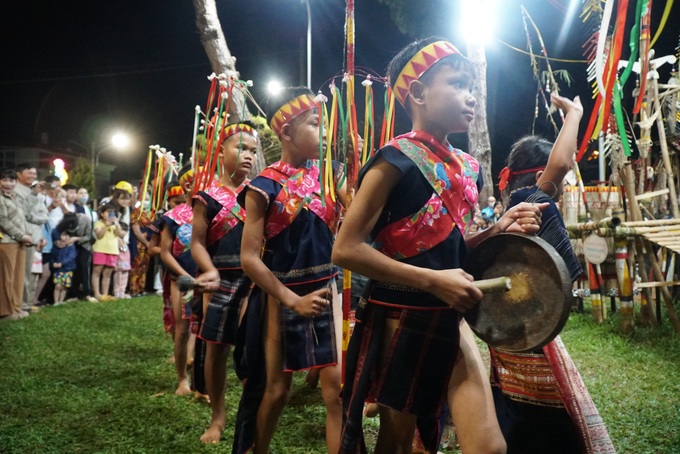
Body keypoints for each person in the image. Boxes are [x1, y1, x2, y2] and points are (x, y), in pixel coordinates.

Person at [332, 37, 546, 454]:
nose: (470, 95)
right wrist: (432, 280)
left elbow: (451, 248)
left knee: (489, 447)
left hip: (451, 315)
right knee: (395, 440)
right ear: (417, 92)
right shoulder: (393, 160)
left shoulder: (467, 167)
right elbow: (345, 249)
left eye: (472, 87)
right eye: (458, 84)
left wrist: (497, 229)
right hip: (400, 317)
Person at [494, 93, 615, 454]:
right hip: (531, 340)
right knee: (545, 427)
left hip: (511, 337)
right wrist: (574, 113)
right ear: (536, 175)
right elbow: (560, 164)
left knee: (516, 417)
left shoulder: (511, 215)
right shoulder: (529, 204)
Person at [234, 87, 345, 454]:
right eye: (315, 124)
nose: (325, 132)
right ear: (285, 132)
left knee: (337, 392)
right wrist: (290, 300)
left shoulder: (332, 178)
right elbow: (250, 258)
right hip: (281, 297)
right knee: (278, 391)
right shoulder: (263, 186)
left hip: (328, 291)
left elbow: (361, 214)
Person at [190, 122, 257, 444]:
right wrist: (209, 270)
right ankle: (218, 417)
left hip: (254, 280)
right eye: (241, 148)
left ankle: (251, 413)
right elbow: (197, 244)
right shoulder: (206, 197)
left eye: (253, 151)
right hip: (222, 280)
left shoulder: (259, 192)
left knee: (250, 351)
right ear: (221, 151)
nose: (248, 156)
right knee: (215, 351)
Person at [160, 165, 199, 396]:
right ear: (187, 186)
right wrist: (183, 275)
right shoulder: (173, 217)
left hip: (208, 279)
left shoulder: (215, 212)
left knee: (205, 330)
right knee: (183, 329)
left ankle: (203, 379)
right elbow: (165, 252)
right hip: (181, 281)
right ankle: (182, 379)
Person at [13, 163, 49, 312]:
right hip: (22, 237)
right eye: (29, 173)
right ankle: (21, 305)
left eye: (34, 174)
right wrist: (36, 218)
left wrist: (40, 236)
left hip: (35, 237)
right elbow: (24, 215)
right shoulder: (16, 191)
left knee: (32, 273)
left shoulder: (36, 193)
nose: (33, 176)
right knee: (23, 273)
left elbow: (44, 215)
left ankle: (27, 303)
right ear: (18, 174)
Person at [0, 168, 33, 321]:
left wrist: (28, 234)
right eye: (4, 180)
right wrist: (21, 235)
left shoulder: (14, 197)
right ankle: (5, 312)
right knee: (6, 278)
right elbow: (3, 221)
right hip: (6, 242)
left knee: (18, 277)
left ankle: (16, 307)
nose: (8, 183)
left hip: (19, 242)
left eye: (11, 180)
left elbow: (22, 218)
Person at [92, 203, 125, 301]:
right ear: (102, 214)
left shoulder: (115, 224)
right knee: (97, 272)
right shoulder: (98, 223)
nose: (111, 214)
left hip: (112, 250)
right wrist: (106, 225)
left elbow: (120, 234)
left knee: (107, 273)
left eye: (112, 212)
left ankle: (105, 294)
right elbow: (99, 235)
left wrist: (117, 223)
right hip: (100, 250)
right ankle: (97, 293)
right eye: (108, 212)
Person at [50, 214, 78, 305]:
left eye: (67, 236)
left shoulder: (71, 246)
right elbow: (52, 255)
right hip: (58, 270)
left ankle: (61, 301)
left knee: (65, 286)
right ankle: (55, 301)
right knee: (57, 286)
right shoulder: (56, 245)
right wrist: (53, 263)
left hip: (68, 269)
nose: (65, 238)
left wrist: (62, 263)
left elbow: (72, 256)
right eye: (63, 235)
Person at [113, 222, 132, 299]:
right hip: (119, 262)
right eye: (122, 230)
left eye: (125, 230)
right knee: (118, 277)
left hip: (126, 263)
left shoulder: (124, 240)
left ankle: (122, 291)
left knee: (124, 277)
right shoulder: (116, 239)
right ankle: (116, 292)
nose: (124, 232)